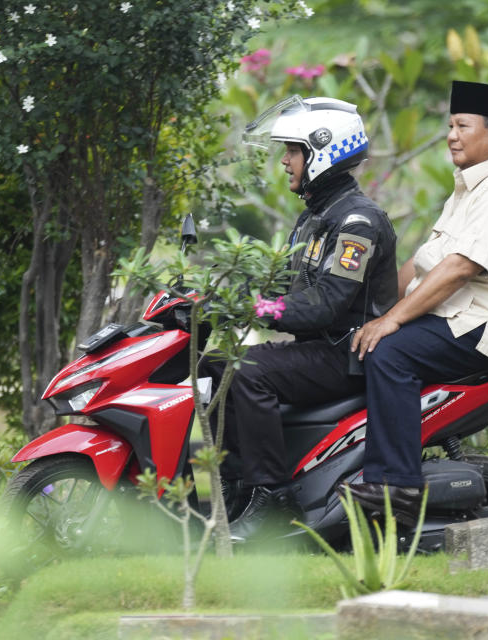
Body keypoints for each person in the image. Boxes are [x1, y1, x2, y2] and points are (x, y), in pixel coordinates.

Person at [347, 80, 488, 524]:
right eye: (450, 125)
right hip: (458, 316)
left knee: (389, 352)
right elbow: (426, 266)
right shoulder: (472, 186)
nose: (451, 135)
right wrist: (370, 312)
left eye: (462, 126)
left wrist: (388, 324)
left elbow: (459, 268)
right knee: (366, 339)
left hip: (487, 326)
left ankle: (394, 483)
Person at [200, 96, 398, 541]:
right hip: (317, 350)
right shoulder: (315, 218)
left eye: (292, 151)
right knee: (213, 367)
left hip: (346, 355)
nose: (285, 161)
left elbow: (325, 304)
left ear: (322, 151)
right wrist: (219, 291)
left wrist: (253, 308)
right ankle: (231, 488)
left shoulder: (357, 222)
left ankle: (273, 496)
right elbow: (283, 287)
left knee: (248, 370)